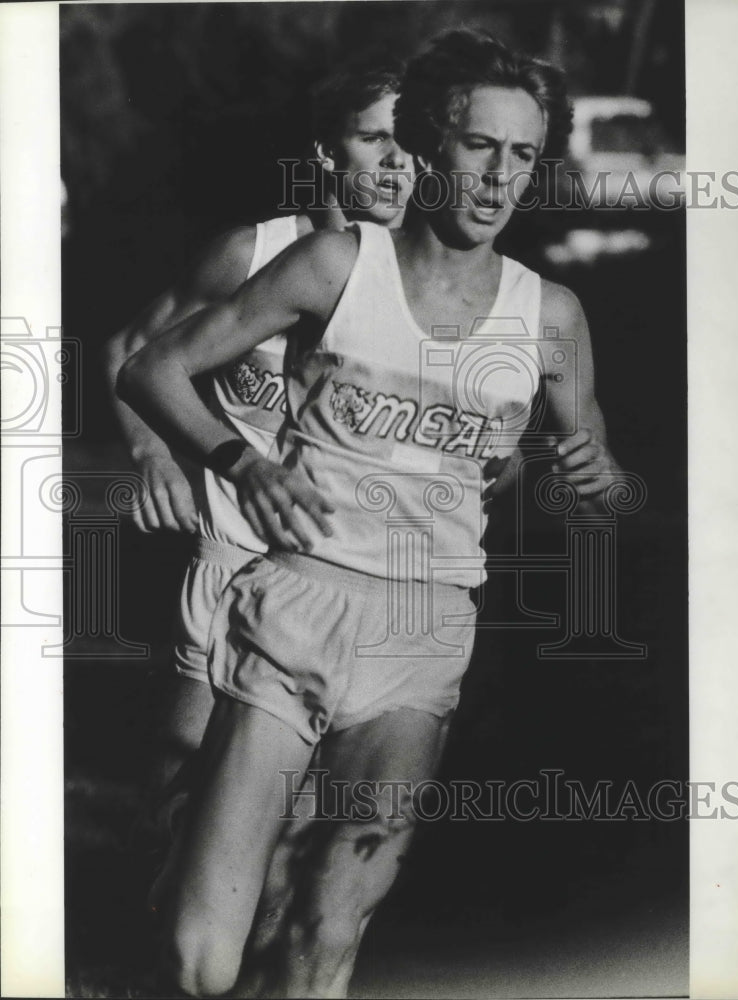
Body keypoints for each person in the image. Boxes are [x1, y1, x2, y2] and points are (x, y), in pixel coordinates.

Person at [119, 28, 620, 998]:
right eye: (480, 147)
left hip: (425, 634)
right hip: (295, 606)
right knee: (202, 956)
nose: (498, 178)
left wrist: (587, 475)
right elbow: (152, 364)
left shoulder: (549, 315)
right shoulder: (329, 266)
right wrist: (235, 461)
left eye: (523, 155)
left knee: (329, 918)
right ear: (431, 147)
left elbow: (579, 461)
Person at [103, 54, 414, 815]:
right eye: (376, 139)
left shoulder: (431, 282)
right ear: (326, 154)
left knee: (303, 828)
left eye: (417, 144)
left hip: (354, 582)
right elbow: (129, 349)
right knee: (182, 797)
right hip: (233, 555)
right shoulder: (254, 253)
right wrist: (153, 454)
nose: (401, 164)